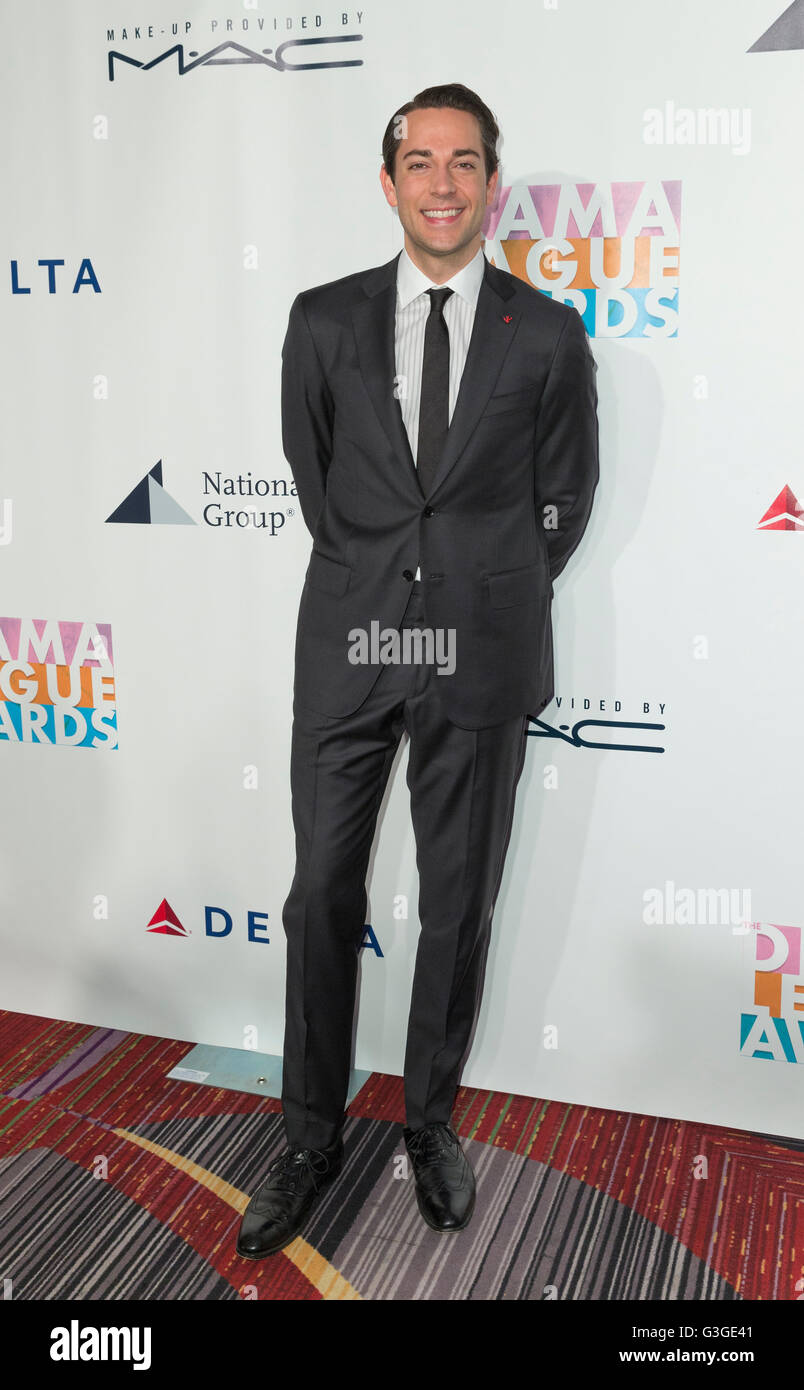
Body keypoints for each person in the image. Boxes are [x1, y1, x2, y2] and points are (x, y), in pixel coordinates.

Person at [237, 82, 599, 1259]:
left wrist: (476, 585)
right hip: (351, 647)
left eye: (465, 162)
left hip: (480, 657)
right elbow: (319, 476)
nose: (443, 182)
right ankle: (306, 1136)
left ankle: (429, 1123)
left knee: (458, 908)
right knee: (319, 897)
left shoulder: (544, 332)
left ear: (493, 186)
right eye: (421, 161)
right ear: (386, 182)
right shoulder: (324, 321)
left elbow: (565, 501)